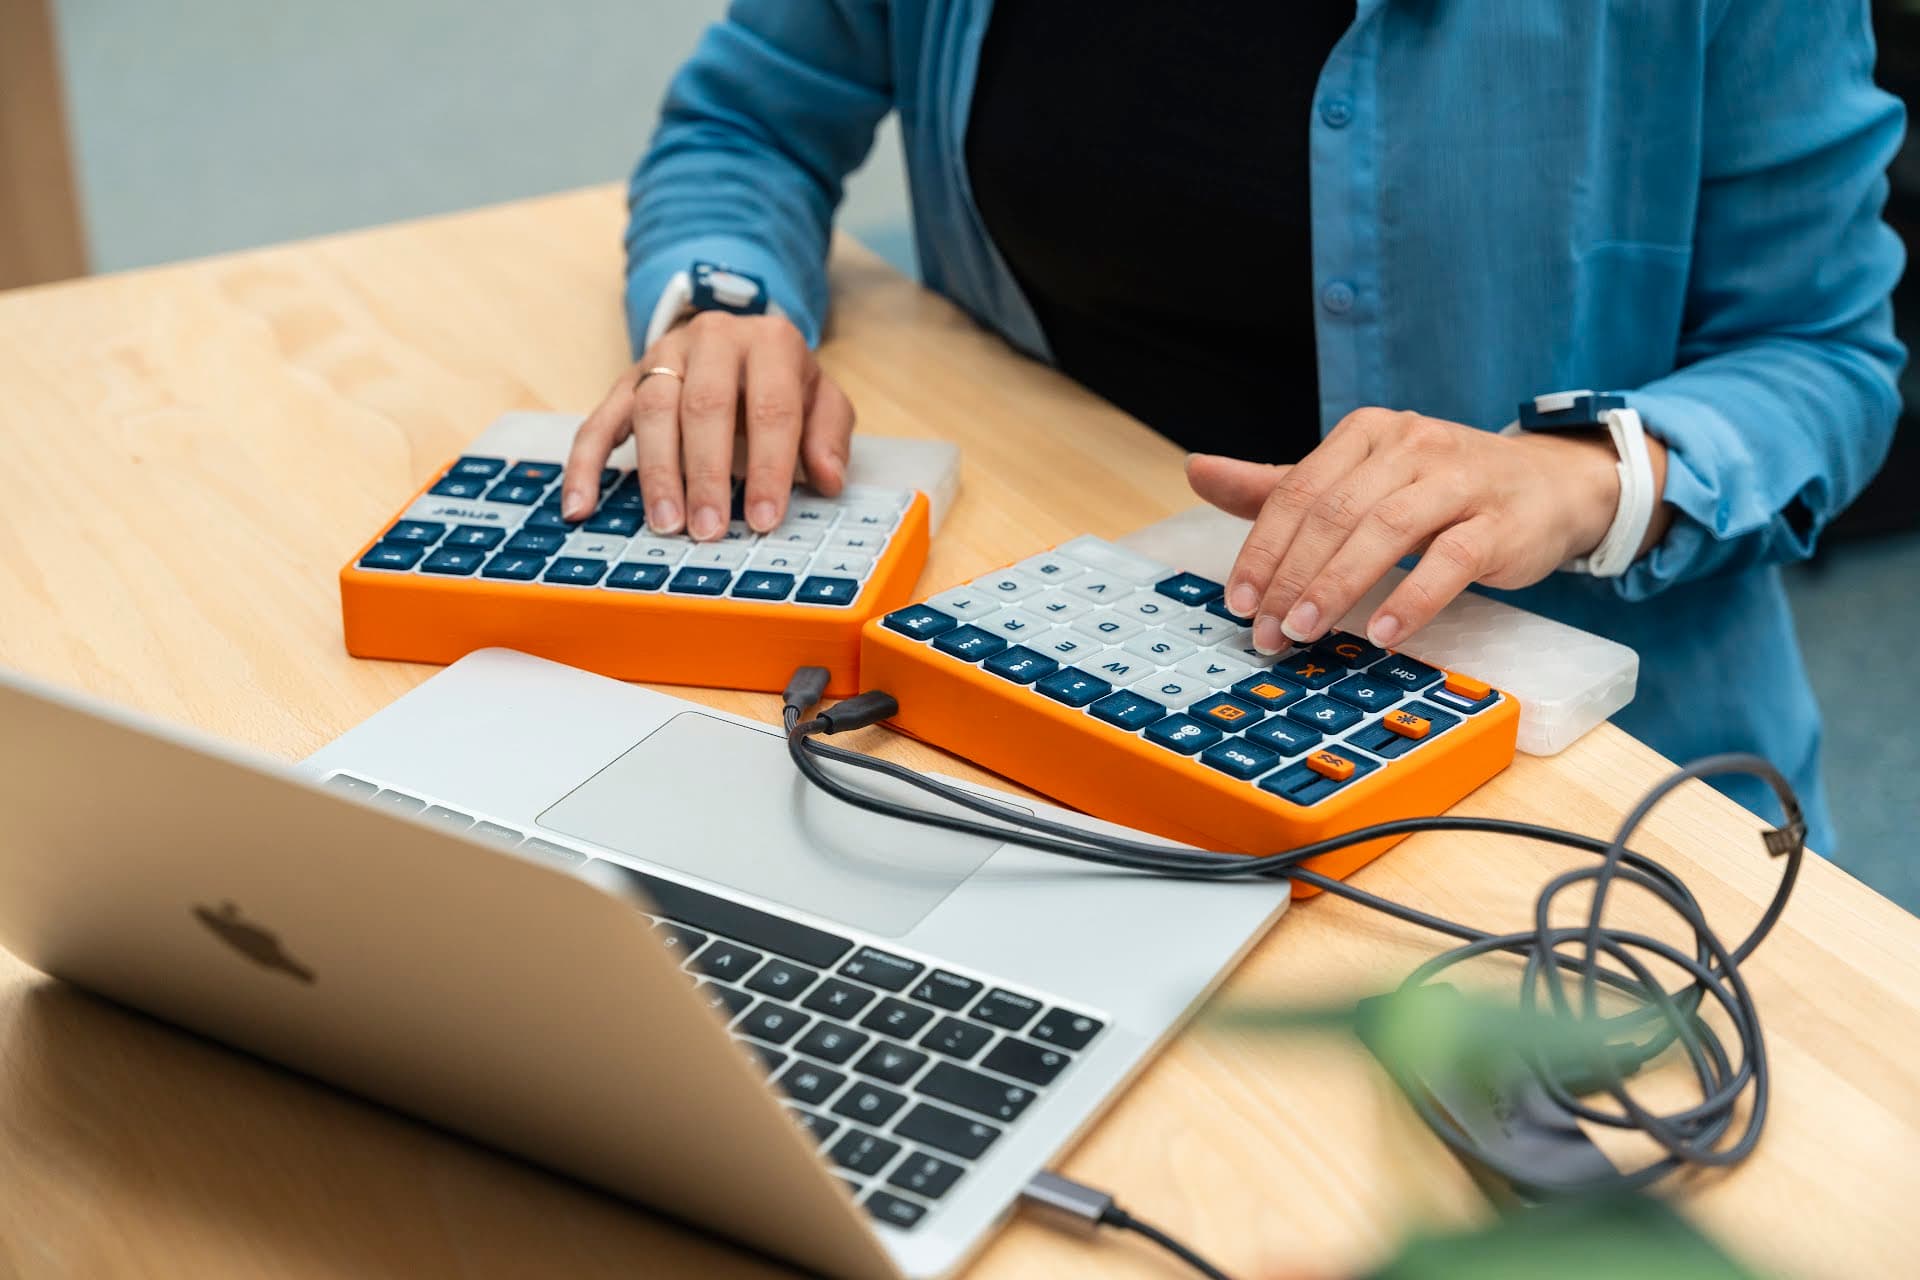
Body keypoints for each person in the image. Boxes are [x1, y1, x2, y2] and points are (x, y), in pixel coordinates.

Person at [562, 2, 1905, 850]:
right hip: (1043, 673)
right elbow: (747, 120)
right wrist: (724, 303)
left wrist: (1572, 477)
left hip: (1565, 783)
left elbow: (1824, 356)